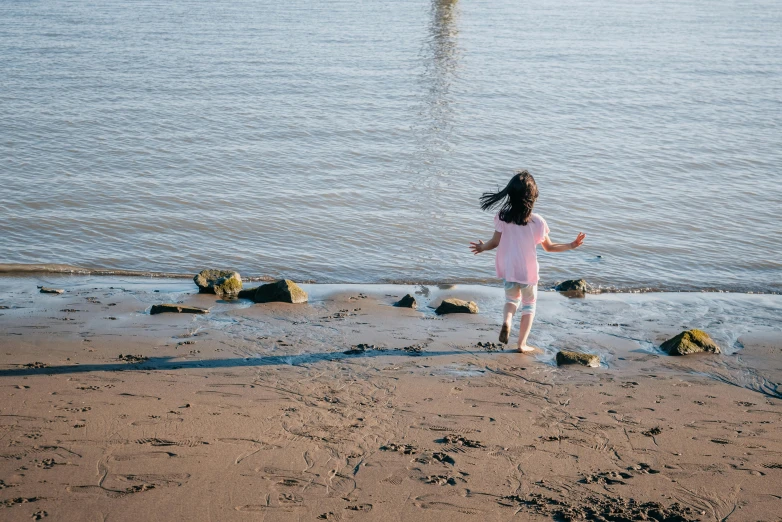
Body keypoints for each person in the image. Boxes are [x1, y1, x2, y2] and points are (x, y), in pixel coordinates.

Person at [469, 171, 585, 352]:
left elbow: (495, 242)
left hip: (509, 270)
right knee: (529, 306)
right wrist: (571, 244)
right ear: (532, 197)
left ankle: (507, 321)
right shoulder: (537, 222)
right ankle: (521, 344)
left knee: (511, 301)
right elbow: (549, 247)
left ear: (510, 195)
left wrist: (482, 248)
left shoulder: (502, 217)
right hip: (528, 273)